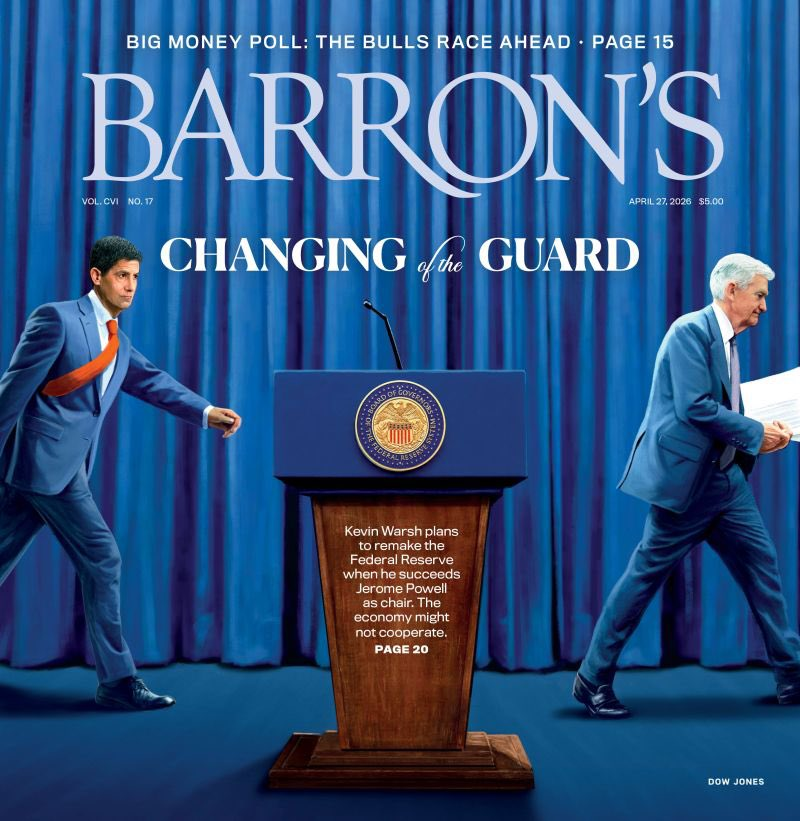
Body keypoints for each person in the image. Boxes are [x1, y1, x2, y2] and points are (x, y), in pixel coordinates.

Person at [0, 236, 242, 710]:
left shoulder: (119, 341)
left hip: (56, 471)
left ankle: (116, 682)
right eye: (121, 276)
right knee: (103, 559)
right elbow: (13, 391)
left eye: (135, 277)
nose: (131, 286)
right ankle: (117, 682)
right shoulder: (57, 319)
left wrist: (207, 411)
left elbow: (152, 382)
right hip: (45, 467)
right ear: (97, 276)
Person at [574, 253, 800, 718]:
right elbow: (695, 407)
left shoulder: (728, 339)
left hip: (726, 480)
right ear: (731, 291)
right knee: (642, 580)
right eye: (758, 295)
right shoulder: (689, 332)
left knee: (764, 572)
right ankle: (591, 680)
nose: (763, 307)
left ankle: (791, 675)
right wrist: (756, 435)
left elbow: (717, 407)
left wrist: (756, 436)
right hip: (688, 487)